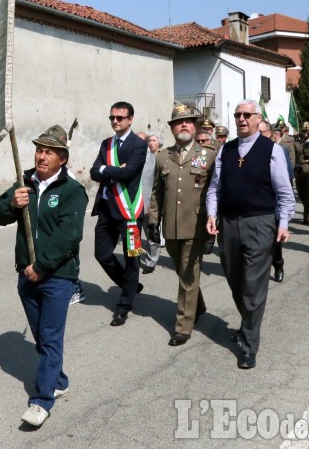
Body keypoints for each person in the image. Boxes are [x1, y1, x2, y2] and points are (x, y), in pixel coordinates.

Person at [0, 125, 88, 429]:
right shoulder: (26, 183)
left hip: (57, 276)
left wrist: (42, 266)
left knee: (49, 337)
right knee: (40, 337)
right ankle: (59, 380)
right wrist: (12, 203)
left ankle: (42, 400)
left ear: (63, 158)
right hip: (27, 275)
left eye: (49, 151)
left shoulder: (72, 191)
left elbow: (69, 235)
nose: (41, 156)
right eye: (39, 150)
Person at [206, 100, 295, 369]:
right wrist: (212, 213)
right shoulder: (226, 150)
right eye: (237, 115)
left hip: (260, 223)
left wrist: (283, 223)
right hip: (229, 224)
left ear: (258, 119)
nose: (241, 119)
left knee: (254, 286)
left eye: (247, 115)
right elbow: (214, 188)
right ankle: (248, 325)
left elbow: (284, 193)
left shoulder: (272, 151)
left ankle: (248, 345)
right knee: (235, 280)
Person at [149, 105, 216, 346]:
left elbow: (213, 192)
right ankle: (198, 304)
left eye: (188, 121)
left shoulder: (208, 155)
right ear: (172, 128)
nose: (184, 125)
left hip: (196, 225)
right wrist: (153, 220)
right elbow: (157, 193)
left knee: (187, 275)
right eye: (179, 122)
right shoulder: (163, 157)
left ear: (195, 126)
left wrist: (213, 223)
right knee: (183, 271)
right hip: (171, 226)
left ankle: (182, 326)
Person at [90, 101, 147, 326]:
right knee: (102, 254)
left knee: (132, 259)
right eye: (112, 117)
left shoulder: (138, 144)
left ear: (130, 119)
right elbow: (95, 171)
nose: (115, 121)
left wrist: (108, 171)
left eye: (120, 118)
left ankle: (124, 306)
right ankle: (130, 284)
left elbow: (129, 173)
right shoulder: (106, 144)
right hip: (106, 209)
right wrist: (111, 170)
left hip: (129, 212)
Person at [261, 120, 290, 282]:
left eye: (262, 133)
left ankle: (278, 264)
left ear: (270, 133)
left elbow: (288, 176)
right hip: (254, 207)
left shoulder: (278, 150)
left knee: (273, 243)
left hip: (274, 205)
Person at [140, 131, 163, 274]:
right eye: (150, 140)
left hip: (152, 203)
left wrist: (154, 204)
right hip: (139, 201)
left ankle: (151, 261)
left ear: (160, 142)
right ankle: (135, 258)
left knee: (152, 234)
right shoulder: (145, 157)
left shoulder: (163, 157)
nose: (151, 142)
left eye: (154, 140)